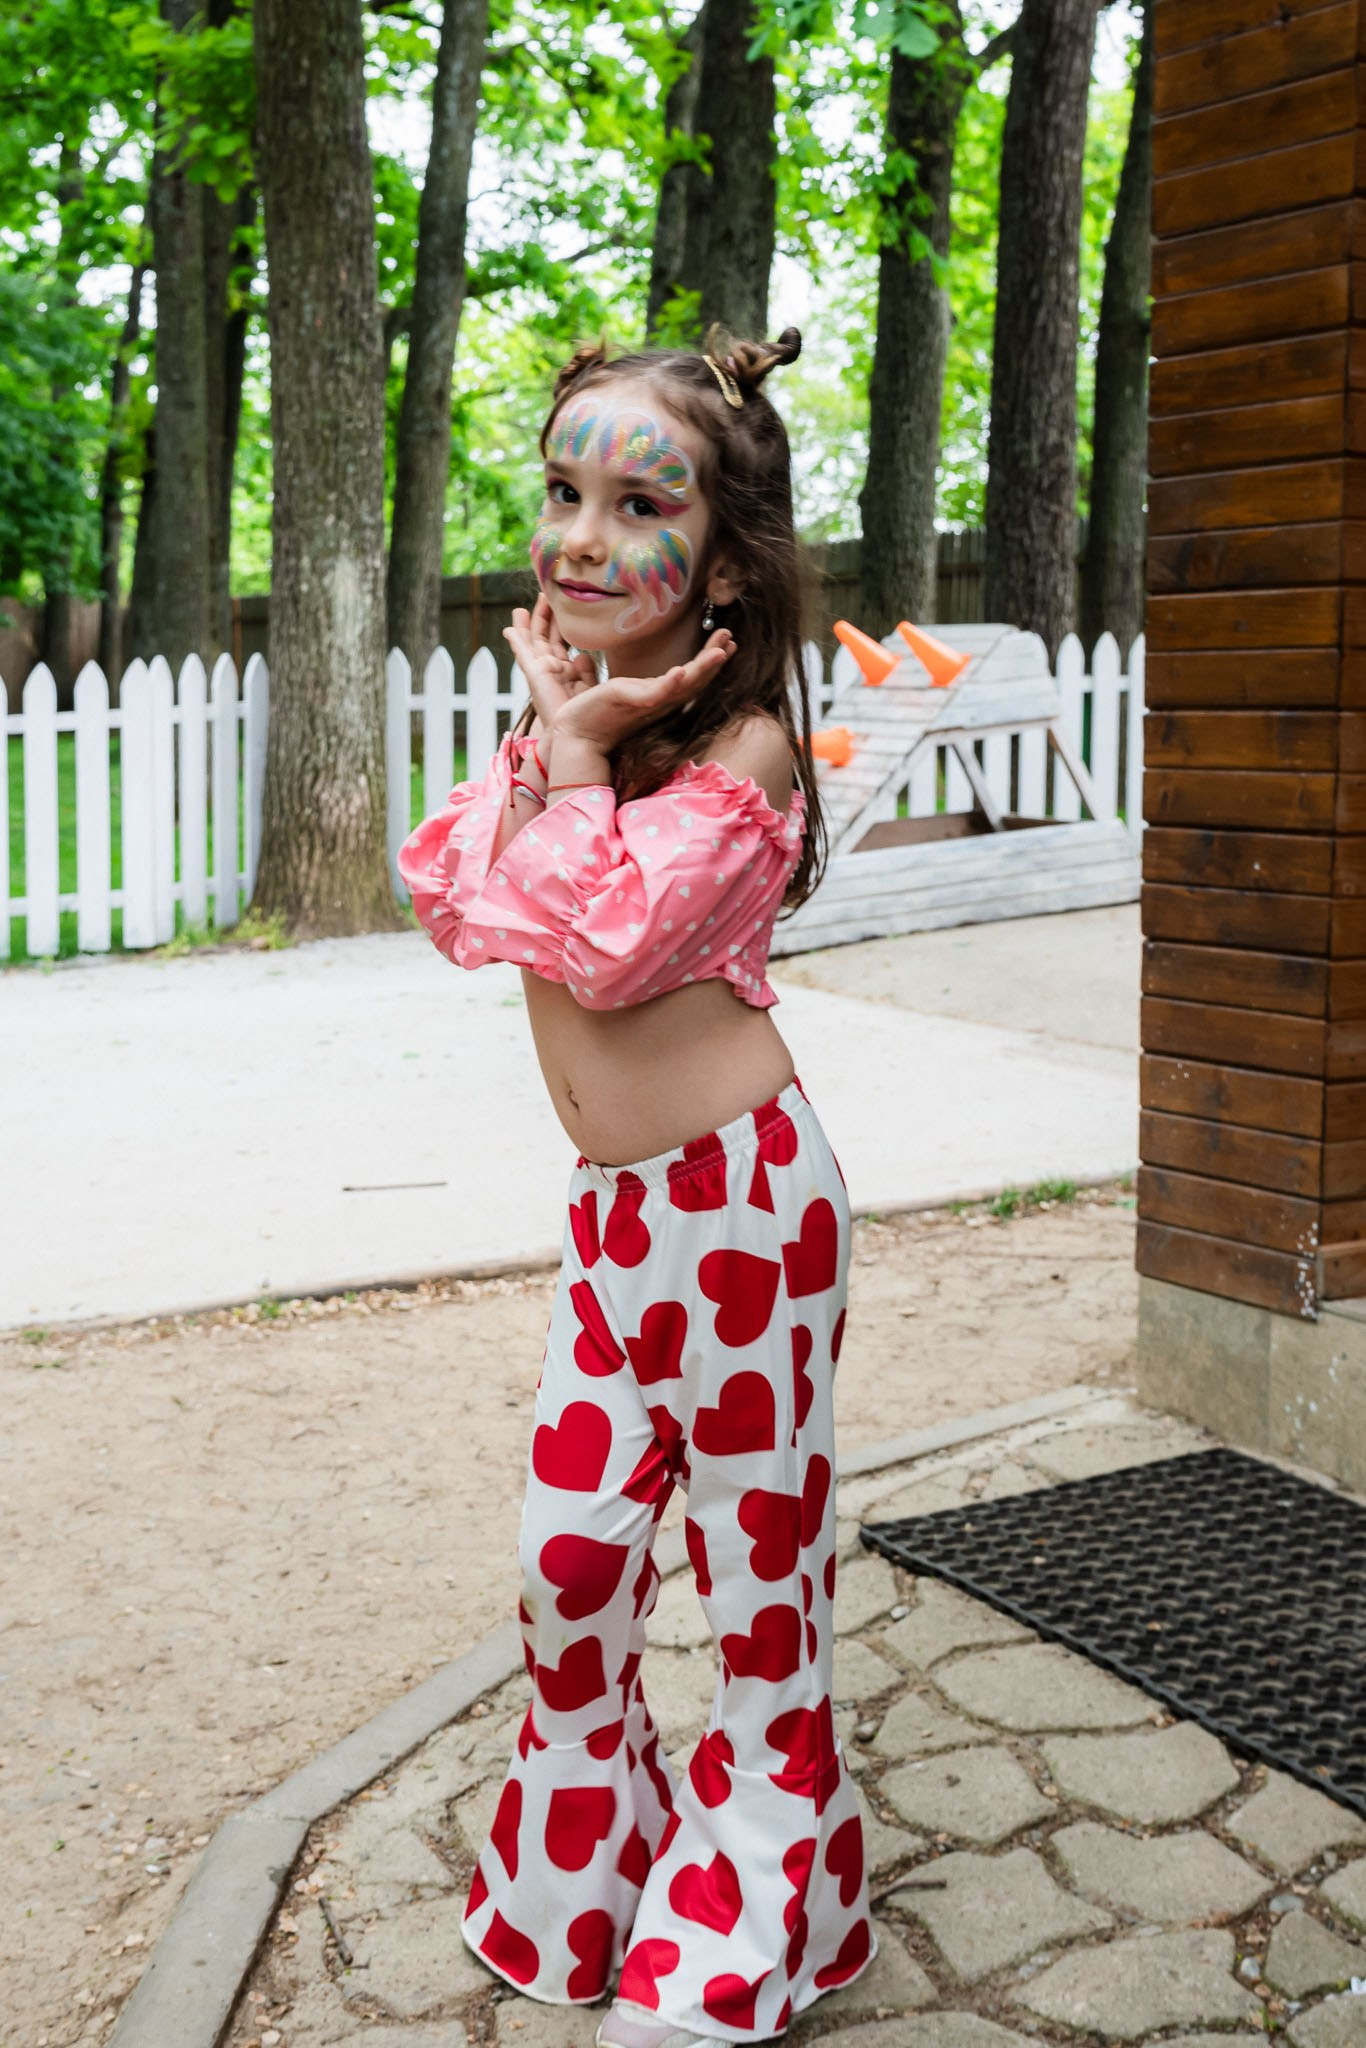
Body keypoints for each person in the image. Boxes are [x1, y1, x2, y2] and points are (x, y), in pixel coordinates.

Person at [399, 325, 874, 2048]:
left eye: (639, 504)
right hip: (617, 1222)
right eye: (562, 491)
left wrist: (577, 752)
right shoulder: (576, 729)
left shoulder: (744, 761)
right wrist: (563, 735)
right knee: (572, 1559)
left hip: (744, 1216)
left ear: (725, 564)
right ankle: (587, 1862)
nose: (580, 539)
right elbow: (456, 902)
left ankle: (760, 1915)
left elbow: (595, 944)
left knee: (757, 1579)